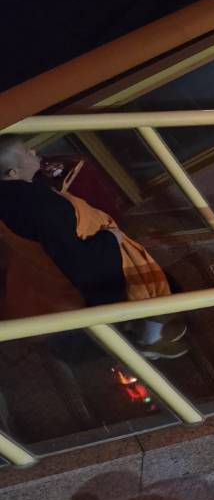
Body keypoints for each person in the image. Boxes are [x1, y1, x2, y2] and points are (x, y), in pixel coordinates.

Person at [0, 137, 183, 358]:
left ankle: (144, 331)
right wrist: (110, 239)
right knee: (145, 290)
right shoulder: (42, 209)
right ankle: (148, 340)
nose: (33, 151)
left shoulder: (12, 197)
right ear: (13, 173)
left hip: (38, 273)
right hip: (84, 276)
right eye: (26, 152)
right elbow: (81, 262)